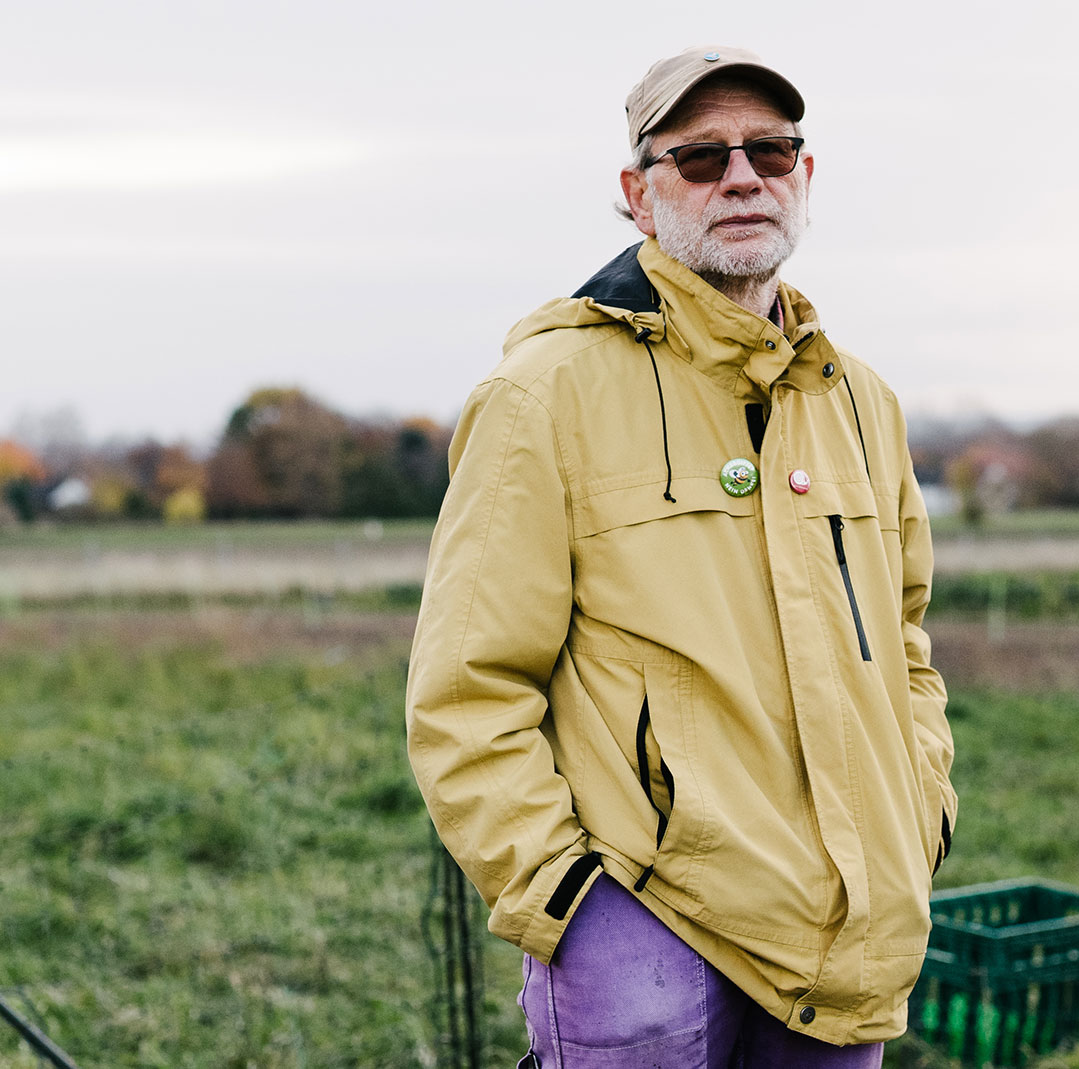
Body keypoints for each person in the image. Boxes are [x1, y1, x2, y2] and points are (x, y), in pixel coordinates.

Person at [405, 45, 955, 1068]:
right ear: (637, 194)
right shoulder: (546, 392)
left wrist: (920, 816)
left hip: (850, 928)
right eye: (700, 159)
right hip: (651, 929)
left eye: (770, 151)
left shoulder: (858, 401)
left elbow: (907, 640)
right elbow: (465, 687)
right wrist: (567, 897)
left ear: (803, 175)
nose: (742, 176)